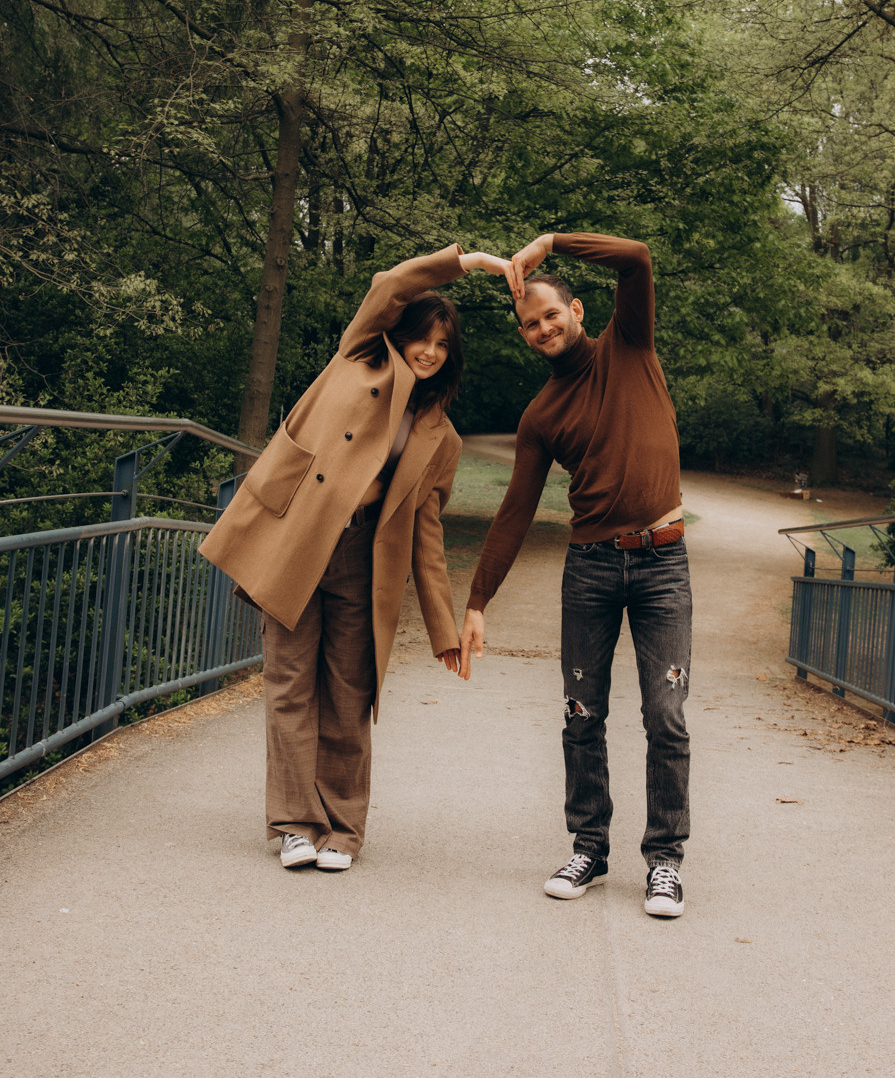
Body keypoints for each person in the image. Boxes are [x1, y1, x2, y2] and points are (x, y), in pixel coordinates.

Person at [199, 244, 508, 870]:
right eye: (422, 337)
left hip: (363, 560)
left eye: (442, 345)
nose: (428, 351)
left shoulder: (440, 438)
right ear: (399, 334)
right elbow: (391, 281)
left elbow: (426, 535)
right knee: (288, 685)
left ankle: (342, 828)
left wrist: (444, 628)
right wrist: (469, 262)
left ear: (452, 358)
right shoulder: (359, 355)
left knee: (348, 693)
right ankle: (294, 824)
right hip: (296, 541)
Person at [460, 232, 691, 918]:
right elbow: (513, 514)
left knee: (666, 714)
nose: (540, 329)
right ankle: (589, 846)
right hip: (590, 569)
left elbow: (638, 257)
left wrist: (550, 243)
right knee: (581, 715)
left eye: (550, 315)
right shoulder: (541, 415)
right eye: (529, 325)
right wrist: (476, 601)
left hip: (663, 565)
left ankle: (665, 862)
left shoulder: (631, 346)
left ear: (579, 311)